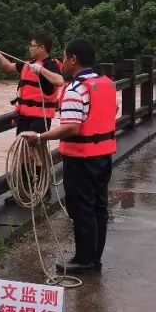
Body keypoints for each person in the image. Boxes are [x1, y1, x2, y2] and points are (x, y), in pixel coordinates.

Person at [19, 37, 117, 274]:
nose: (62, 62)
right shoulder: (106, 83)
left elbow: (71, 127)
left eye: (64, 57)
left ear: (73, 59)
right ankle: (94, 259)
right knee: (98, 208)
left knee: (81, 208)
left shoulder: (75, 89)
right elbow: (113, 111)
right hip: (103, 155)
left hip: (81, 158)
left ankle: (84, 261)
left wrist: (40, 138)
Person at [0, 34, 65, 136]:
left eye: (32, 46)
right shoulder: (28, 64)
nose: (30, 48)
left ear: (41, 48)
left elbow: (59, 81)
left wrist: (41, 69)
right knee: (21, 149)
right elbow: (8, 67)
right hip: (23, 117)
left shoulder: (50, 65)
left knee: (32, 150)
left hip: (39, 119)